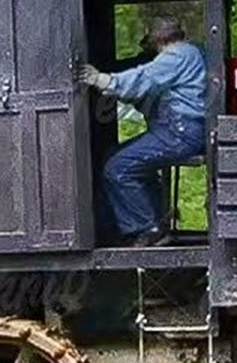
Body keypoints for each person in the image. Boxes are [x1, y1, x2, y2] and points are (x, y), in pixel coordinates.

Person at [79, 16, 208, 246]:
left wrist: (101, 79)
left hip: (179, 133)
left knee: (118, 168)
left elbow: (143, 78)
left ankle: (150, 228)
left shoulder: (176, 55)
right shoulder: (192, 53)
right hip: (180, 130)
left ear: (155, 40)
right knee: (116, 157)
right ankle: (156, 216)